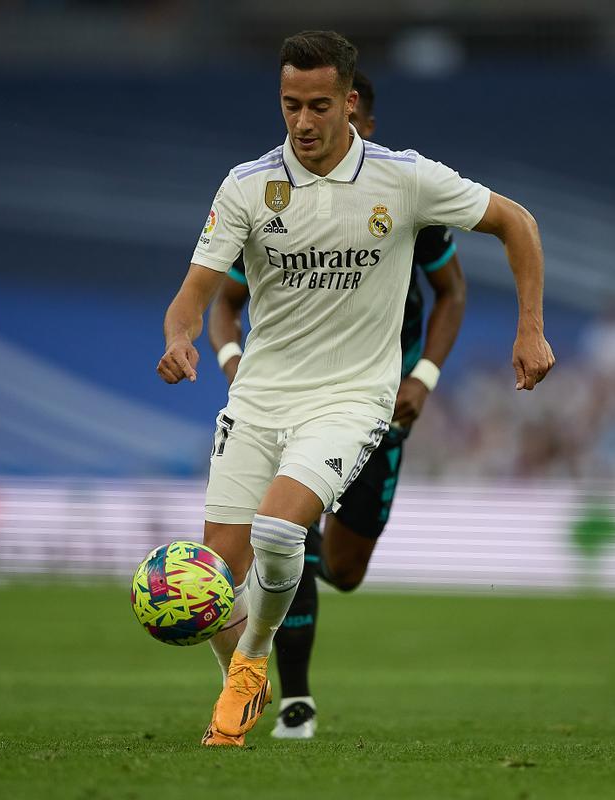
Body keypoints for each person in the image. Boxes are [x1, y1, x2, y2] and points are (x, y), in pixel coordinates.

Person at [156, 30, 554, 748]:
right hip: (258, 398)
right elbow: (196, 293)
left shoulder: (404, 179)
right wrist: (181, 338)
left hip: (350, 399)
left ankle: (249, 668)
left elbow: (516, 224)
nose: (302, 122)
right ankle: (244, 673)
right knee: (213, 576)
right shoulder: (248, 185)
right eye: (288, 106)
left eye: (316, 105)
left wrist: (530, 330)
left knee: (282, 530)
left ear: (348, 103)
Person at [206, 69, 468, 740]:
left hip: (380, 402)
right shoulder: (280, 209)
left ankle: (297, 544)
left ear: (362, 123)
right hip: (293, 399)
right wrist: (234, 363)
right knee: (280, 533)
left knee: (343, 570)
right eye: (297, 110)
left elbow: (453, 294)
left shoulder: (407, 204)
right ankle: (291, 698)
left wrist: (426, 375)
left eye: (347, 120)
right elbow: (225, 303)